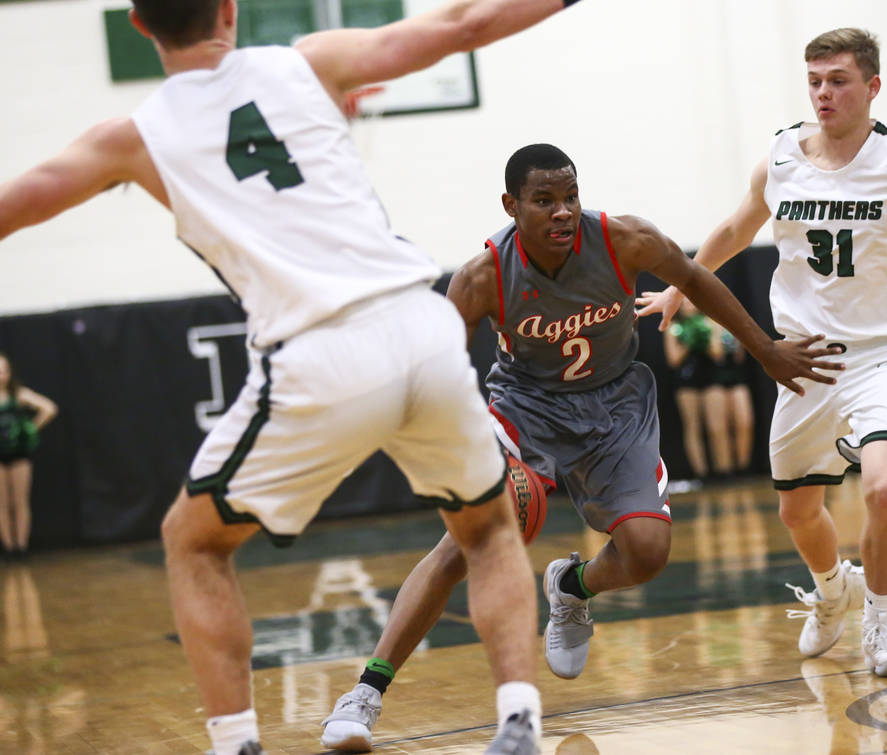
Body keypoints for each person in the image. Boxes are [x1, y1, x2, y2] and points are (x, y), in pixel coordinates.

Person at [0, 2, 588, 753]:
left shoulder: (132, 136)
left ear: (141, 26)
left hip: (318, 350)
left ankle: (237, 741)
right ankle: (517, 720)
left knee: (194, 540)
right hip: (422, 325)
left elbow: (12, 207)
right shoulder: (307, 61)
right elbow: (464, 25)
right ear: (229, 9)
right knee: (487, 527)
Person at [321, 143, 845, 752]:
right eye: (545, 200)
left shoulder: (625, 240)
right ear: (511, 205)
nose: (563, 211)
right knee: (473, 540)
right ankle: (365, 693)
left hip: (616, 406)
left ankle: (572, 588)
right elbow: (431, 365)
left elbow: (697, 278)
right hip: (525, 409)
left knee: (648, 552)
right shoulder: (484, 275)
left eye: (569, 196)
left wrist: (767, 349)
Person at [639, 28, 887, 677]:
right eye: (814, 80)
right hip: (803, 358)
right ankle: (830, 588)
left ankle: (881, 626)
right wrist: (681, 288)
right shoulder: (781, 155)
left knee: (881, 488)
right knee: (797, 509)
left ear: (872, 87)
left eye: (838, 80)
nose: (823, 92)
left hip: (883, 354)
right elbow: (737, 227)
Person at [0, 352, 58, 559]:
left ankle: (21, 547)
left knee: (20, 501)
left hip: (19, 454)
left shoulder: (18, 394)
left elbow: (49, 408)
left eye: (4, 370)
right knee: (2, 503)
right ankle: (8, 548)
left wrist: (31, 428)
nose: (1, 375)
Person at [663, 299, 715, 480]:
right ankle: (701, 473)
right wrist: (688, 341)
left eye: (691, 302)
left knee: (714, 425)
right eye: (683, 303)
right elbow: (673, 360)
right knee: (693, 425)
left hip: (709, 378)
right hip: (685, 380)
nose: (688, 306)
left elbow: (717, 353)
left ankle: (720, 471)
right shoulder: (674, 328)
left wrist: (705, 336)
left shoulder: (707, 322)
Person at [704, 320, 755, 476]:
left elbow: (740, 356)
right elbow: (715, 353)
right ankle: (725, 470)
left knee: (744, 423)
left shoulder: (729, 320)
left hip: (736, 375)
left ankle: (743, 467)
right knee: (719, 428)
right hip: (713, 377)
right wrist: (715, 330)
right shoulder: (702, 324)